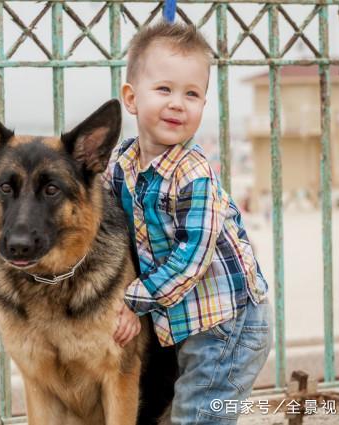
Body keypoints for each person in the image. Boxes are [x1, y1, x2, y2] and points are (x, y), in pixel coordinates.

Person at [104, 21, 272, 424]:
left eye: (192, 94)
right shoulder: (121, 165)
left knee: (199, 415)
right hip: (190, 321)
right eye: (164, 89)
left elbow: (192, 259)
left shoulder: (194, 174)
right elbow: (108, 227)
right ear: (131, 97)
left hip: (229, 326)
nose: (178, 103)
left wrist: (132, 299)